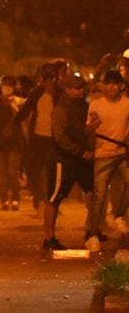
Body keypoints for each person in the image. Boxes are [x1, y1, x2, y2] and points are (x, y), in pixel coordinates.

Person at [43, 74, 93, 251]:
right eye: (77, 88)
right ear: (67, 89)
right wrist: (80, 151)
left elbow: (78, 131)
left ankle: (92, 230)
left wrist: (89, 130)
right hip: (62, 160)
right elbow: (60, 137)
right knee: (54, 197)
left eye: (82, 88)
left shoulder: (80, 107)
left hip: (78, 159)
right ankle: (49, 238)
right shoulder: (61, 109)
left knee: (94, 190)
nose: (81, 91)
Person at [86, 70, 129, 252]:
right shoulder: (96, 105)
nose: (111, 87)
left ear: (122, 86)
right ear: (103, 85)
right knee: (99, 197)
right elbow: (89, 131)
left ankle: (118, 215)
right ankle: (92, 235)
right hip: (102, 155)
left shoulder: (127, 104)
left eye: (115, 83)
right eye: (108, 83)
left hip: (122, 154)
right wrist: (90, 133)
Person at [14, 63, 60, 214]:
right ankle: (40, 201)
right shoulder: (36, 94)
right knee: (33, 170)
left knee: (52, 173)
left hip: (55, 140)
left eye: (51, 77)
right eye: (46, 77)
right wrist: (12, 123)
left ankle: (51, 203)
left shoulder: (60, 95)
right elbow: (25, 111)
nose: (49, 81)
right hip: (38, 138)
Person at [0, 75, 25, 211]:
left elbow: (22, 119)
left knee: (12, 172)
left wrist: (12, 106)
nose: (6, 87)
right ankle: (3, 199)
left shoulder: (20, 102)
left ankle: (15, 198)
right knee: (1, 173)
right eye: (4, 84)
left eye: (9, 85)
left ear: (14, 87)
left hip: (15, 143)